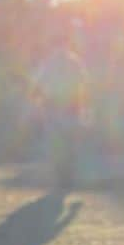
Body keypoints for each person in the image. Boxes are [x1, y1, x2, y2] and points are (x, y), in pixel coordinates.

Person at [32, 34, 89, 189]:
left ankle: (61, 177)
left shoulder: (49, 63)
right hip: (71, 106)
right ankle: (68, 177)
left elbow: (38, 85)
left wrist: (38, 100)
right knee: (70, 143)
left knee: (57, 143)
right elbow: (83, 83)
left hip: (54, 107)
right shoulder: (74, 61)